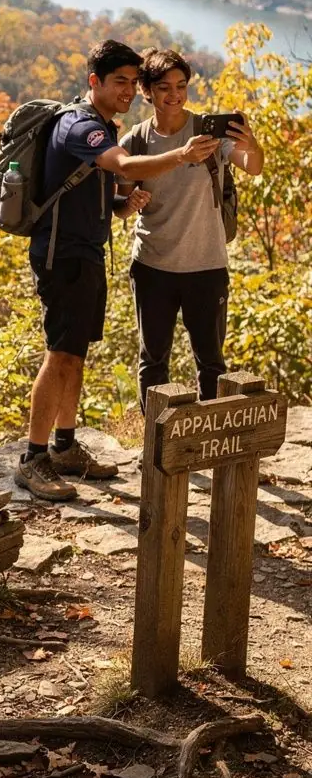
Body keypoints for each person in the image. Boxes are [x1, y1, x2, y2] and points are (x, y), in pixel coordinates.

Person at [17, 38, 220, 503]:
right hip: (62, 258)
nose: (128, 91)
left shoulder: (102, 125)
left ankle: (65, 446)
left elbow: (86, 193)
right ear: (95, 82)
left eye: (133, 82)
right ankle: (33, 458)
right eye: (119, 82)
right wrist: (182, 156)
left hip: (85, 254)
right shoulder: (80, 126)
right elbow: (124, 163)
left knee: (76, 352)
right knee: (59, 354)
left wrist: (124, 205)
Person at [117, 47, 264, 412]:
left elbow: (253, 166)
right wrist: (128, 204)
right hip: (153, 266)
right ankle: (157, 446)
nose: (175, 95)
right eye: (164, 87)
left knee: (211, 362)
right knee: (153, 361)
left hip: (207, 266)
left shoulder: (208, 132)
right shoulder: (135, 141)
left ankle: (206, 443)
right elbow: (118, 203)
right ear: (147, 91)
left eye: (181, 86)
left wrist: (251, 144)